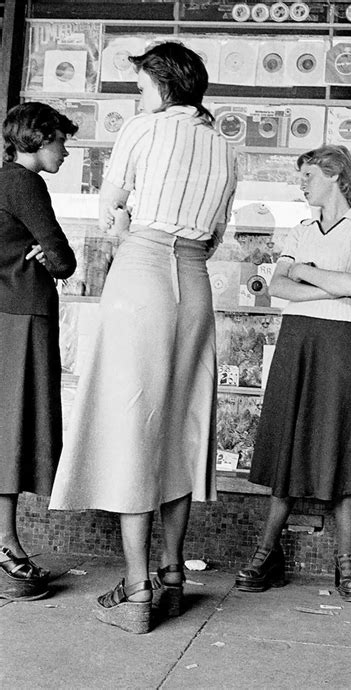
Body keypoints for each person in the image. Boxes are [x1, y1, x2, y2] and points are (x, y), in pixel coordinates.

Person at [50, 42, 237, 634]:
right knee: (182, 425)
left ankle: (136, 592)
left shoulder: (144, 129)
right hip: (195, 279)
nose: (139, 96)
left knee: (133, 422)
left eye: (141, 86)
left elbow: (111, 214)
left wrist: (131, 225)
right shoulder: (227, 146)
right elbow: (215, 236)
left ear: (161, 85)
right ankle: (174, 576)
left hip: (144, 270)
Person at [235, 145, 351, 603]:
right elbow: (277, 286)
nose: (301, 184)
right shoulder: (300, 229)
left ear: (336, 175)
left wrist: (305, 272)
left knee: (339, 442)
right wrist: (320, 277)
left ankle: (346, 561)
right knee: (289, 442)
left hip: (340, 343)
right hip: (297, 340)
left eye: (308, 176)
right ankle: (267, 552)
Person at [0, 102, 77, 601]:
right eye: (60, 141)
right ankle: (5, 546)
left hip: (8, 313)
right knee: (15, 428)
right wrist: (47, 254)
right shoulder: (25, 183)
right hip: (23, 314)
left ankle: (6, 543)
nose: (65, 151)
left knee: (8, 426)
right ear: (37, 138)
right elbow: (65, 259)